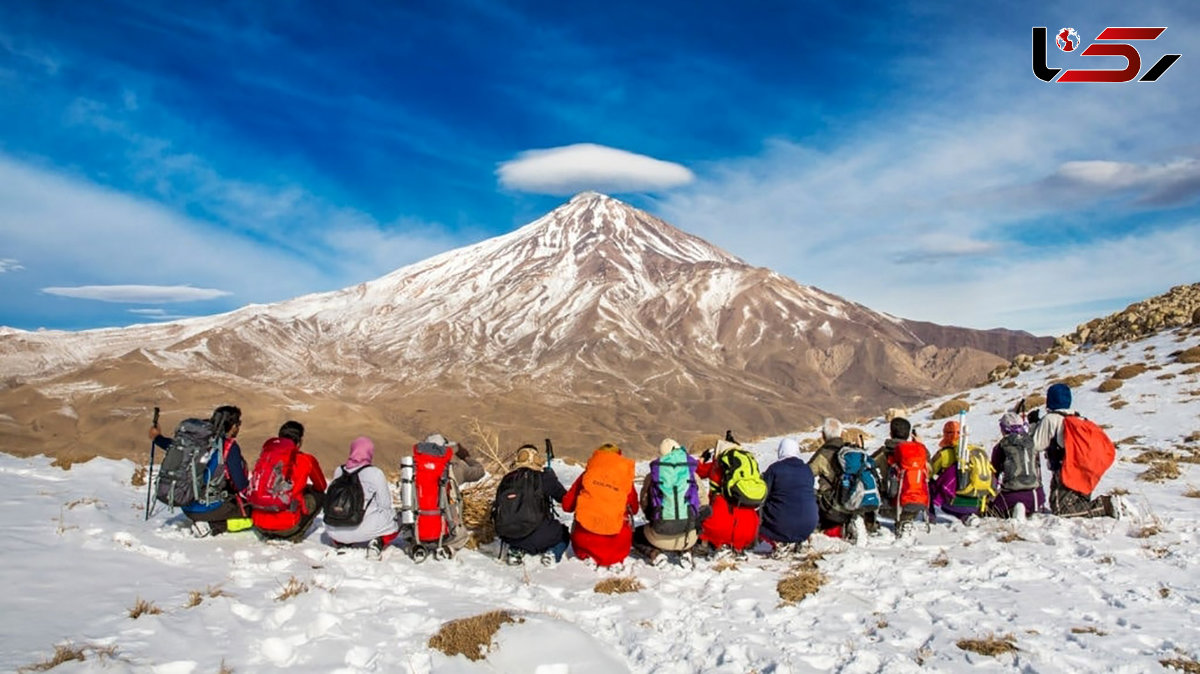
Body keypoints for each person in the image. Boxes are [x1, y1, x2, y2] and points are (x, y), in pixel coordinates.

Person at [149, 405, 252, 537]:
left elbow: (172, 446)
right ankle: (214, 526)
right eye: (238, 424)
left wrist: (157, 437)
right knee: (252, 514)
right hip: (208, 508)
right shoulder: (228, 447)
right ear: (232, 426)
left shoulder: (198, 443)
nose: (238, 427)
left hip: (187, 504)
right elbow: (240, 484)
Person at [1032, 383, 1119, 518]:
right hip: (1086, 468)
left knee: (1061, 510)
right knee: (1077, 502)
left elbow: (1036, 445)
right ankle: (1099, 507)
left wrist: (1033, 426)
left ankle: (1106, 505)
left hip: (1066, 469)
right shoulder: (1079, 418)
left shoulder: (1051, 419)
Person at [562, 443, 639, 567]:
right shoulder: (624, 478)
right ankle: (614, 561)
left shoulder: (587, 475)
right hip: (617, 546)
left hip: (585, 541)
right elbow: (634, 509)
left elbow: (567, 505)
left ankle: (588, 556)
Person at [250, 421, 328, 542]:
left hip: (259, 524)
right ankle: (295, 534)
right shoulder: (306, 460)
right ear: (300, 441)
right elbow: (321, 486)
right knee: (320, 496)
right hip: (287, 527)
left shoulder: (266, 457)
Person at [492, 444, 569, 566]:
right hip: (538, 535)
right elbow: (564, 499)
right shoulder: (543, 477)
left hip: (507, 535)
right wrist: (552, 478)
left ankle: (515, 551)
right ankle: (552, 554)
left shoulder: (507, 479)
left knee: (521, 532)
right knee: (564, 533)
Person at [324, 436, 399, 559]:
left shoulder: (339, 470)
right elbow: (385, 504)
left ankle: (342, 543)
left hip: (334, 531)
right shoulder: (375, 473)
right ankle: (378, 541)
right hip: (365, 529)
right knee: (395, 520)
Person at [633, 438, 701, 567]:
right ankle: (686, 551)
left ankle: (655, 554)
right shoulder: (691, 473)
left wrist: (653, 516)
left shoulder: (653, 475)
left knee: (636, 535)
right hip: (689, 537)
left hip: (659, 536)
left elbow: (644, 502)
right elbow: (703, 502)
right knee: (695, 526)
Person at [693, 435, 762, 557]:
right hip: (749, 530)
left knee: (701, 516)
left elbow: (697, 471)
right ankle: (737, 547)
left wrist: (702, 459)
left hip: (719, 526)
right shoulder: (747, 467)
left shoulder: (718, 465)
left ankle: (707, 544)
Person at [758, 438, 819, 557]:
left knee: (759, 517)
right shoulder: (807, 469)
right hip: (809, 524)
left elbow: (763, 495)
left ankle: (780, 542)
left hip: (781, 524)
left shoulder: (774, 469)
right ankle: (801, 540)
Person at [988, 412, 1046, 519]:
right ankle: (1031, 510)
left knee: (991, 511)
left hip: (1012, 493)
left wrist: (989, 497)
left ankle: (1016, 509)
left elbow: (994, 474)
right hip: (1036, 495)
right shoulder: (1031, 442)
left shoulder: (1001, 446)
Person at [877, 417, 930, 535]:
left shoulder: (884, 453)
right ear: (909, 435)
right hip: (915, 505)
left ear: (891, 433)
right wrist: (921, 445)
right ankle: (906, 520)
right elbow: (930, 466)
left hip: (888, 507)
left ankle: (869, 523)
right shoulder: (920, 454)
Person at [928, 421, 986, 522]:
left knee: (929, 485)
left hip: (954, 503)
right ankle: (969, 516)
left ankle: (930, 516)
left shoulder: (944, 454)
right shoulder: (973, 453)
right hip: (978, 503)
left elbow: (928, 474)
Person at [808, 418, 853, 538]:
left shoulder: (823, 454)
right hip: (853, 500)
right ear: (841, 433)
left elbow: (806, 474)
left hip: (831, 505)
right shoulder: (851, 451)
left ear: (823, 435)